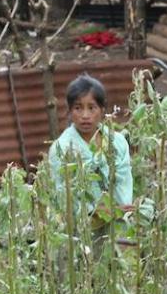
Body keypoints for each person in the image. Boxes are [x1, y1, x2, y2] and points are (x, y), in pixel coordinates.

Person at [48, 74, 134, 219]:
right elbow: (62, 195)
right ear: (70, 111)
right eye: (78, 108)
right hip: (81, 226)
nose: (85, 115)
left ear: (102, 109)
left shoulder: (117, 142)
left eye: (92, 108)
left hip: (119, 222)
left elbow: (124, 184)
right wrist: (95, 212)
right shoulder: (62, 149)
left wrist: (120, 212)